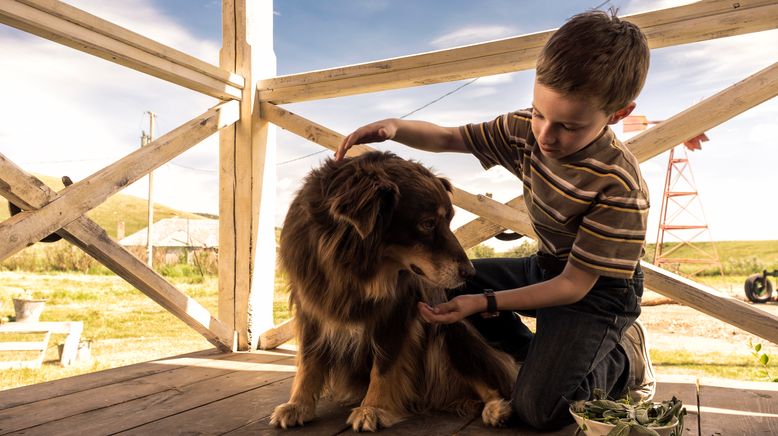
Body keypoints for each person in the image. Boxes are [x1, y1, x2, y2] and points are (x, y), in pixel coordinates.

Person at [335, 9, 654, 431]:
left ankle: (625, 356)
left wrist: (485, 303)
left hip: (598, 292)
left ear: (618, 113)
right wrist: (396, 128)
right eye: (540, 113)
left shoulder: (619, 187)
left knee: (540, 410)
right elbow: (451, 138)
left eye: (568, 127)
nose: (545, 136)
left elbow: (573, 286)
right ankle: (540, 355)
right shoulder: (524, 129)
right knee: (449, 283)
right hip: (546, 265)